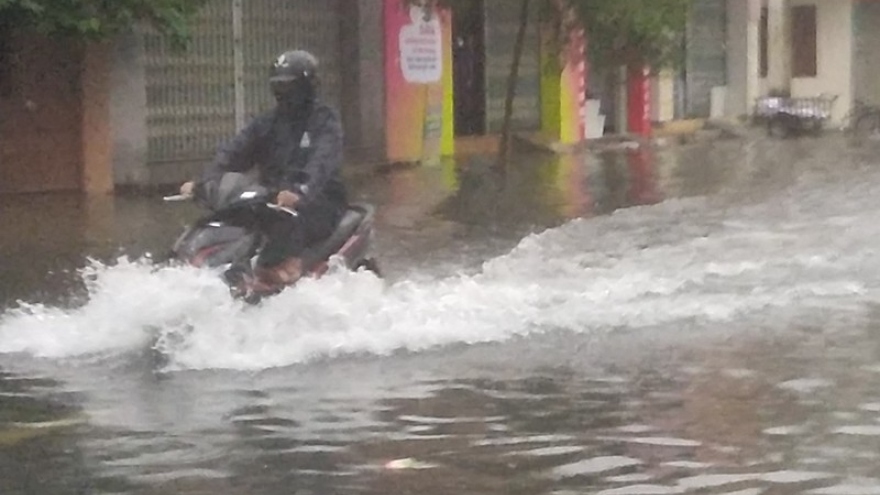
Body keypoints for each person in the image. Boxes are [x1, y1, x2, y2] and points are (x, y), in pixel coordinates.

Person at [179, 49, 347, 295]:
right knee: (224, 219)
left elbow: (321, 162)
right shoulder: (268, 122)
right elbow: (234, 151)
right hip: (269, 199)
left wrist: (299, 189)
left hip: (317, 201)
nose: (284, 93)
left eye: (290, 86)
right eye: (279, 86)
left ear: (307, 86)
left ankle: (282, 274)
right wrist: (204, 181)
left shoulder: (324, 121)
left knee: (284, 233)